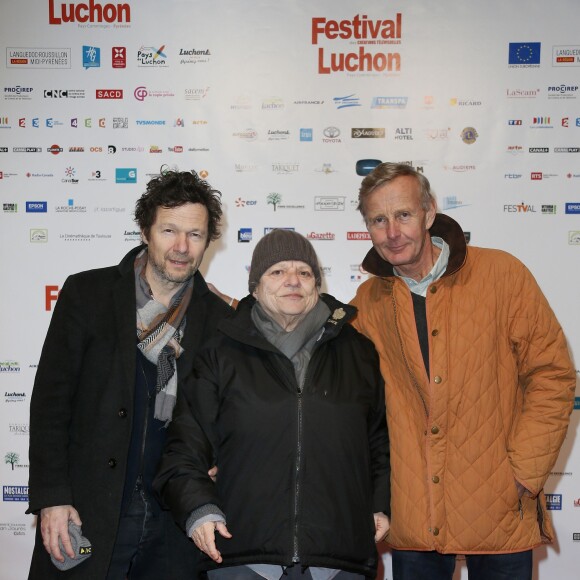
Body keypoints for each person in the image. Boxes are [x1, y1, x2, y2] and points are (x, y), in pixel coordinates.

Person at [349, 162, 576, 579]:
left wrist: (524, 472)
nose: (393, 232)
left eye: (403, 214)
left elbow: (552, 375)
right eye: (378, 220)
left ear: (429, 212)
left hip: (499, 506)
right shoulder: (368, 301)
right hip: (413, 514)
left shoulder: (501, 274)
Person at [27, 169, 233, 579]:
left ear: (209, 241)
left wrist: (220, 462)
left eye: (194, 235)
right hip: (89, 509)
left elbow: (234, 415)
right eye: (169, 230)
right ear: (145, 230)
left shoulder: (221, 319)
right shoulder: (88, 294)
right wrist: (52, 498)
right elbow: (51, 403)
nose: (181, 247)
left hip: (173, 523)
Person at [155, 229, 391, 580]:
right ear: (255, 285)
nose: (292, 281)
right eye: (277, 271)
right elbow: (184, 446)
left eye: (304, 272)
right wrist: (199, 509)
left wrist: (380, 504)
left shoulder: (357, 351)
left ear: (316, 283)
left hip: (339, 559)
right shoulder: (220, 352)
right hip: (242, 556)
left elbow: (380, 444)